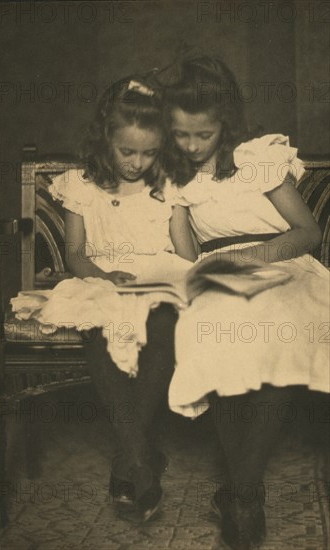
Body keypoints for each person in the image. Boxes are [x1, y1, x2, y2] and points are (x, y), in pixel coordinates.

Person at [161, 56, 330, 549]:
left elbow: (309, 232)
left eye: (203, 135)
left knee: (287, 327)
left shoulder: (259, 157)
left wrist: (255, 255)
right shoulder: (176, 177)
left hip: (283, 263)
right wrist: (174, 212)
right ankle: (246, 492)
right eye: (181, 135)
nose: (191, 146)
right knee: (213, 330)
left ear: (226, 125)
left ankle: (239, 492)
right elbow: (187, 254)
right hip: (219, 270)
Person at [46, 75, 194, 521]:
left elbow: (187, 254)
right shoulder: (81, 184)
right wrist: (104, 275)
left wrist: (165, 260)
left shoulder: (168, 185)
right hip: (100, 281)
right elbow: (74, 253)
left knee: (163, 325)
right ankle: (141, 461)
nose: (137, 163)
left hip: (155, 286)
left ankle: (127, 462)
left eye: (149, 153)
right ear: (106, 138)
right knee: (98, 327)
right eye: (127, 151)